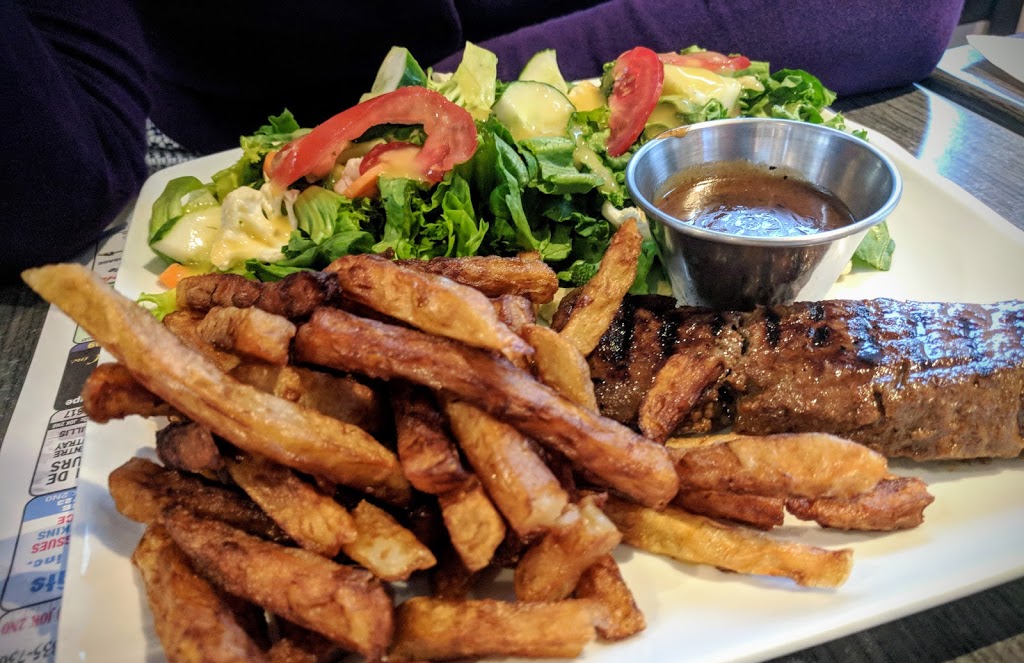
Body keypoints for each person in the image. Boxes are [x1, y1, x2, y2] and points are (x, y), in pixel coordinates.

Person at [3, 0, 966, 275]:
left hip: (597, 92)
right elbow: (52, 193)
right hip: (224, 140)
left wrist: (480, 88)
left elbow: (898, 12)